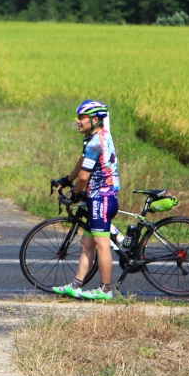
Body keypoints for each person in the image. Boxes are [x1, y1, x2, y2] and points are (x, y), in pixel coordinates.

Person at [52, 100, 120, 301]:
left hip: (102, 198)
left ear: (95, 119)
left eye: (82, 118)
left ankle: (105, 289)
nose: (78, 122)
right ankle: (76, 286)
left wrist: (74, 194)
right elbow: (83, 162)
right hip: (98, 197)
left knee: (101, 245)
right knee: (86, 244)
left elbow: (84, 176)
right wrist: (67, 179)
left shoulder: (94, 142)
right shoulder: (99, 136)